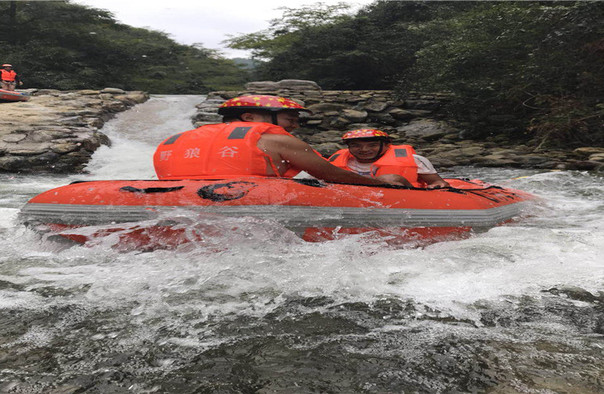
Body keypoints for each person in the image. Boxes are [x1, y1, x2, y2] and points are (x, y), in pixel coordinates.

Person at [153, 95, 406, 186]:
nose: (294, 124)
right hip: (248, 203)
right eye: (289, 118)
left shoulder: (177, 137)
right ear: (249, 116)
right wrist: (380, 183)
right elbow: (331, 175)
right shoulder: (272, 138)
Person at [328, 129, 450, 189]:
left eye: (372, 145)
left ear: (387, 145)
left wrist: (436, 187)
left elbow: (438, 182)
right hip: (353, 200)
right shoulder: (336, 160)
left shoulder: (415, 160)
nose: (364, 150)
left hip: (404, 199)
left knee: (391, 179)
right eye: (356, 145)